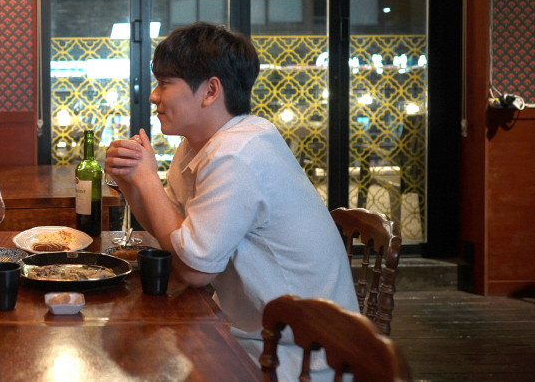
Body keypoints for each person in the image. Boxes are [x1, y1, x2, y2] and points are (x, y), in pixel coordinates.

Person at [104, 22, 358, 381]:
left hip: (302, 357)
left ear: (210, 90)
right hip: (254, 330)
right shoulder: (200, 143)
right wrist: (131, 182)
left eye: (165, 83)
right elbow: (173, 234)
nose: (153, 96)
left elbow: (194, 271)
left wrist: (147, 180)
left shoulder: (237, 152)